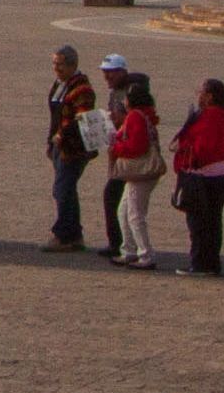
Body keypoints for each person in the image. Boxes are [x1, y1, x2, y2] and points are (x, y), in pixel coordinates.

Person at [169, 76, 224, 277]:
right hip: (223, 172)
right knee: (213, 220)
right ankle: (211, 262)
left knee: (198, 222)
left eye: (200, 92)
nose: (198, 96)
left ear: (209, 96)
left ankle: (201, 264)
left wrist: (184, 155)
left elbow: (202, 150)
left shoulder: (210, 116)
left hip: (204, 175)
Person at [94, 70, 163, 269]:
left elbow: (136, 147)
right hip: (140, 171)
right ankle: (129, 249)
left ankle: (145, 254)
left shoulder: (135, 117)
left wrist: (115, 147)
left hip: (139, 171)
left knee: (134, 214)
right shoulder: (143, 115)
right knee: (124, 210)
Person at [41, 45, 98, 254]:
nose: (56, 68)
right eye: (54, 63)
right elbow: (54, 116)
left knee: (62, 190)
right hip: (58, 146)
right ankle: (75, 235)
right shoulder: (59, 84)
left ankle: (63, 235)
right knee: (67, 190)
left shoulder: (82, 89)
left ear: (73, 65)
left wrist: (61, 135)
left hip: (74, 148)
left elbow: (81, 117)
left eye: (60, 64)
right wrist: (51, 142)